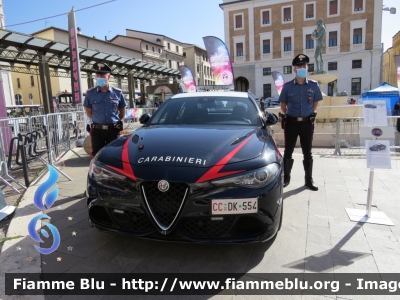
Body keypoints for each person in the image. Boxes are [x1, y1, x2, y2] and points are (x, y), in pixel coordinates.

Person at [278, 54, 323, 191]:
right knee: (288, 151)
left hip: (307, 123)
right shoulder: (287, 87)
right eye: (299, 66)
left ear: (307, 68)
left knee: (307, 152)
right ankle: (286, 177)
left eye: (304, 66)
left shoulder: (314, 86)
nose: (302, 68)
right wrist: (291, 115)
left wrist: (306, 114)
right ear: (294, 69)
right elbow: (283, 105)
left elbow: (315, 104)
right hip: (291, 122)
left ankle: (308, 180)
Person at [83, 62, 127, 157]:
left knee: (114, 155)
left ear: (108, 77)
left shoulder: (117, 93)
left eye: (102, 75)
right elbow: (89, 111)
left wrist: (115, 119)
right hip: (97, 131)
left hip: (113, 130)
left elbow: (122, 109)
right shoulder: (90, 94)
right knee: (98, 156)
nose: (99, 77)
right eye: (98, 75)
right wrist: (98, 120)